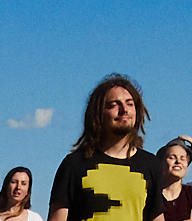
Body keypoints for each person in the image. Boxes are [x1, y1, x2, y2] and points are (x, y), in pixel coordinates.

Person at [48, 76, 169, 221]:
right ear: (98, 113)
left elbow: (156, 216)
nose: (124, 110)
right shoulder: (74, 164)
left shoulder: (151, 164)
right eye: (114, 105)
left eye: (130, 104)